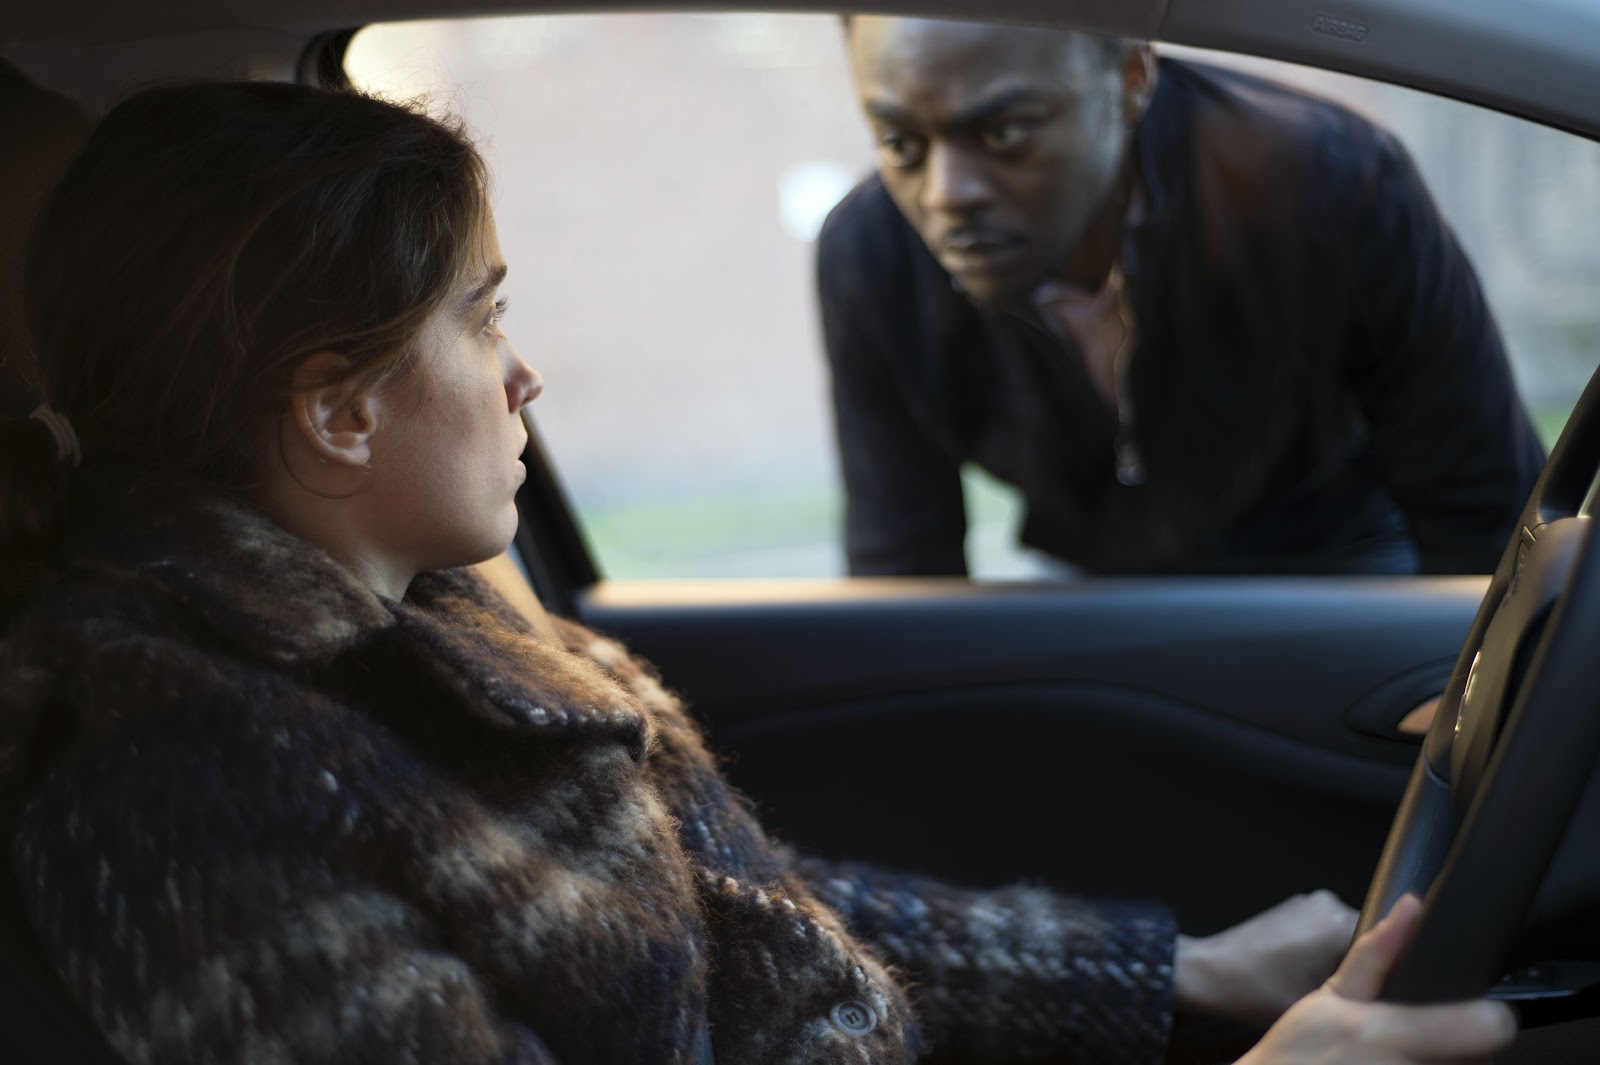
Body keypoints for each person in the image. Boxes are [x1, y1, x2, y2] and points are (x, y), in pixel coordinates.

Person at [0, 81, 1515, 1064]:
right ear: (338, 413)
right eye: (481, 317)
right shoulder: (179, 783)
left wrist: (1181, 975)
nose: (523, 376)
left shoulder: (422, 616)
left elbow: (735, 913)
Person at [819, 17, 1547, 578]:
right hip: (1096, 595)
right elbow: (901, 570)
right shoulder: (872, 256)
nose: (945, 195)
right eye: (900, 143)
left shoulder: (1330, 184)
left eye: (1005, 132)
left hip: (1344, 571)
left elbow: (1487, 523)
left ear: (1132, 75)